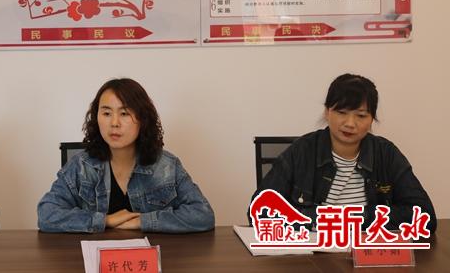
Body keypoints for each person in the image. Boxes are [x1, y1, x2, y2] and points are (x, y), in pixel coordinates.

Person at [251, 73, 436, 233]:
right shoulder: (302, 151)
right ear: (327, 112)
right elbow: (259, 212)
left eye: (361, 115)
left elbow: (425, 216)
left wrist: (356, 218)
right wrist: (325, 221)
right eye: (341, 112)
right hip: (313, 255)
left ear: (372, 119)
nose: (350, 123)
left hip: (367, 254)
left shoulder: (386, 154)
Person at [37, 78, 215, 233]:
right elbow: (46, 214)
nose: (114, 123)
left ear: (143, 119)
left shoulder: (166, 165)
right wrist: (105, 220)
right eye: (107, 113)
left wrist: (143, 221)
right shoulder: (81, 165)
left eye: (124, 113)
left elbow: (203, 214)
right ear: (96, 117)